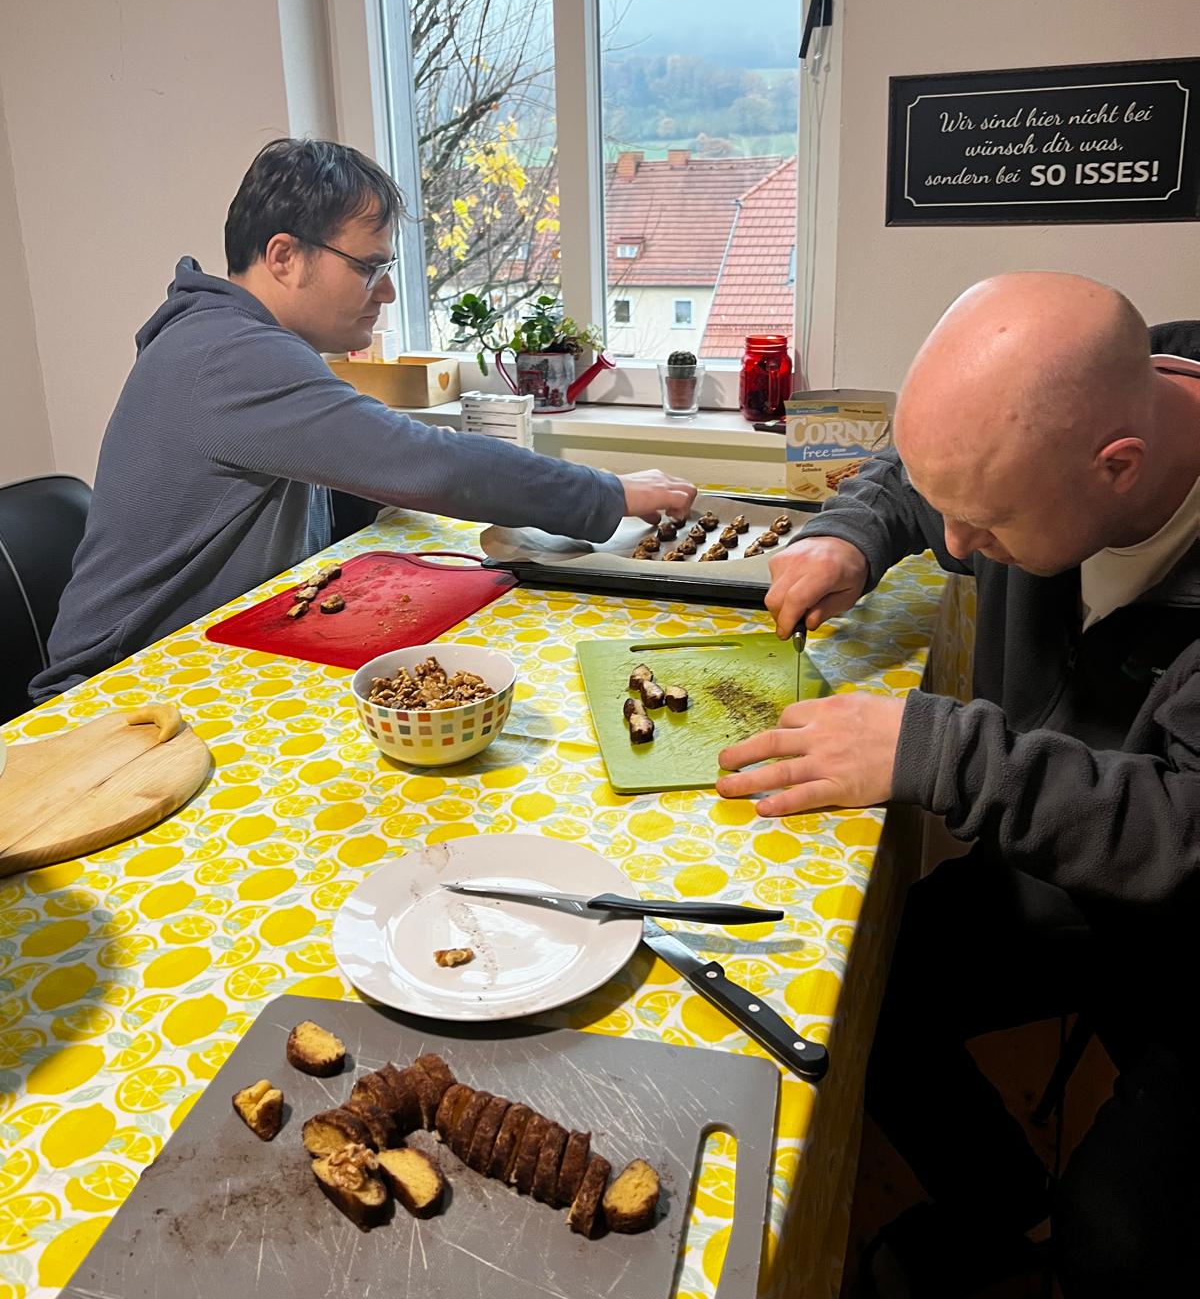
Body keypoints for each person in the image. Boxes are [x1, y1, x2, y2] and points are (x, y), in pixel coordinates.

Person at [716, 273, 1200, 1297]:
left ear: (1118, 468)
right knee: (851, 992)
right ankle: (999, 1205)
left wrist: (934, 751)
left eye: (984, 526)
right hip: (1067, 877)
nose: (958, 548)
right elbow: (924, 473)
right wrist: (853, 529)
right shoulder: (1062, 410)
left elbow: (1179, 829)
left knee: (1117, 1238)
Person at [33, 139, 695, 699]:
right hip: (114, 693)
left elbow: (364, 460)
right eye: (369, 267)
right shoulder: (228, 356)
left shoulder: (236, 343)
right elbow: (426, 462)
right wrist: (608, 495)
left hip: (208, 659)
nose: (384, 291)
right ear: (284, 257)